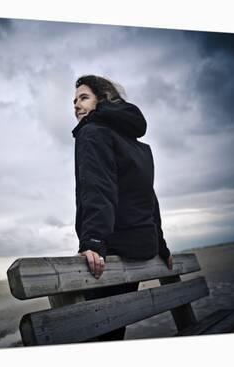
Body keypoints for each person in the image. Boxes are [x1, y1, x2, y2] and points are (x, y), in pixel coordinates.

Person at [72, 75, 173, 341]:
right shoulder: (134, 144)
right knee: (113, 331)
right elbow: (147, 198)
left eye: (84, 98)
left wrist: (93, 240)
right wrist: (160, 244)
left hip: (112, 249)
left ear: (102, 100)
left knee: (97, 336)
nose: (76, 106)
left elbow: (97, 188)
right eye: (74, 101)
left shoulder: (92, 133)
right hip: (139, 246)